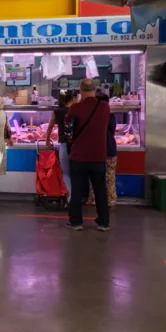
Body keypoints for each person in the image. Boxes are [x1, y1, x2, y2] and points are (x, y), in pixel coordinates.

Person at [65, 78, 112, 231]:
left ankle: (76, 222)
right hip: (98, 155)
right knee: (100, 189)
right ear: (95, 89)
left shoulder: (75, 108)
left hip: (79, 155)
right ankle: (103, 222)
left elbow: (68, 130)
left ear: (80, 90)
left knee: (77, 189)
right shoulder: (104, 107)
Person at [44, 90, 77, 192]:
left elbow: (50, 127)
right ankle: (77, 197)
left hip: (64, 144)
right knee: (77, 173)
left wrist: (47, 140)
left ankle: (70, 196)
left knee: (66, 173)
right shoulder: (78, 111)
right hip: (77, 146)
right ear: (74, 98)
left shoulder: (57, 111)